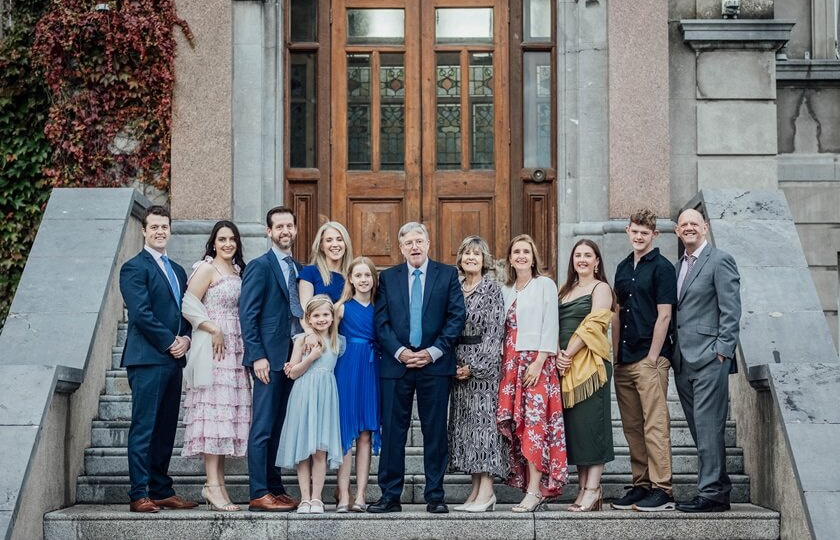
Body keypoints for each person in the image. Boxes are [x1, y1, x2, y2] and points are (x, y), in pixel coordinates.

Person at [370, 222, 466, 514]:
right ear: (401, 248)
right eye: (408, 242)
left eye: (419, 241)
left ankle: (435, 494)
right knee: (393, 433)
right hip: (396, 366)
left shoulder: (447, 274)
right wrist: (400, 352)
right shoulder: (387, 278)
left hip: (434, 366)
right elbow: (381, 321)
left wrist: (433, 351)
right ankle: (389, 495)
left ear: (427, 244)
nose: (414, 246)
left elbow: (456, 316)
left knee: (434, 432)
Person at [119, 205, 198, 513]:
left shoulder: (177, 270)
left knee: (165, 428)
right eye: (154, 227)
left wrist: (187, 339)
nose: (160, 231)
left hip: (174, 358)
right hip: (148, 359)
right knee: (144, 427)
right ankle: (139, 493)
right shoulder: (134, 267)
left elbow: (187, 311)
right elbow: (141, 314)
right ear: (144, 230)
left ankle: (161, 489)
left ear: (170, 229)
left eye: (164, 226)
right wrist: (169, 342)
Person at [672, 208, 741, 513]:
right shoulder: (677, 267)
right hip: (683, 361)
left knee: (709, 426)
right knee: (701, 429)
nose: (689, 228)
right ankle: (719, 487)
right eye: (684, 224)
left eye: (694, 224)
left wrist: (722, 351)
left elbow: (731, 309)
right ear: (677, 231)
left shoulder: (720, 260)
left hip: (711, 358)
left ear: (705, 228)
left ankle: (711, 493)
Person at [181, 221, 251, 512]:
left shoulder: (237, 271)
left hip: (235, 349)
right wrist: (212, 328)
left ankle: (218, 484)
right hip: (215, 348)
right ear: (213, 243)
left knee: (226, 417)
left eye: (232, 239)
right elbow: (187, 303)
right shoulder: (206, 268)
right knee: (213, 413)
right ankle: (211, 484)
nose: (227, 244)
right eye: (222, 239)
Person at [611, 208, 677, 512]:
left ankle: (662, 488)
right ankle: (641, 484)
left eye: (644, 233)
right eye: (635, 231)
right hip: (624, 359)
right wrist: (614, 357)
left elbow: (665, 315)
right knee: (633, 427)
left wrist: (653, 356)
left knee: (655, 425)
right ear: (627, 231)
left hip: (650, 359)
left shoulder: (663, 267)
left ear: (654, 235)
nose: (639, 237)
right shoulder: (623, 267)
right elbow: (617, 312)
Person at [496, 234, 567, 512]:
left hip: (536, 363)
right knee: (518, 425)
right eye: (516, 252)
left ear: (533, 257)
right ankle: (529, 485)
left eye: (526, 251)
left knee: (535, 427)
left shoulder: (544, 285)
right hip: (511, 365)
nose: (522, 256)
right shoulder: (507, 290)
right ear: (510, 259)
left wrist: (539, 361)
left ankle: (535, 490)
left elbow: (551, 323)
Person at [239, 206, 303, 512]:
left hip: (293, 360)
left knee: (279, 425)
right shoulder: (259, 266)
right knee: (263, 426)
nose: (285, 231)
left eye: (289, 226)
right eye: (279, 227)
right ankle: (258, 491)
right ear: (269, 232)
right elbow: (247, 315)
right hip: (268, 359)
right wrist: (257, 356)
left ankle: (275, 487)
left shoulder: (298, 268)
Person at [448, 236, 508, 513]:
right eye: (466, 253)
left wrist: (475, 367)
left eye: (476, 253)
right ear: (460, 259)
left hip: (483, 369)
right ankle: (475, 491)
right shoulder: (456, 288)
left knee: (485, 429)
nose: (471, 257)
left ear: (485, 260)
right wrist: (453, 365)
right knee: (468, 430)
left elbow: (495, 333)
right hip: (457, 366)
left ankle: (487, 492)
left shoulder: (492, 289)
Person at [557, 239, 615, 513]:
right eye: (578, 255)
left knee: (593, 427)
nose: (582, 259)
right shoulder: (564, 290)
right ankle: (583, 489)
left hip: (590, 366)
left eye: (587, 255)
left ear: (597, 261)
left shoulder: (601, 288)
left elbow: (594, 324)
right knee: (578, 431)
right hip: (566, 367)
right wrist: (556, 351)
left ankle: (593, 488)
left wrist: (568, 351)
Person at [276, 295, 344, 514]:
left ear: (333, 318)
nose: (321, 319)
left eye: (326, 314)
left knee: (320, 451)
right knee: (303, 449)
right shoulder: (301, 340)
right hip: (304, 395)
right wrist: (310, 357)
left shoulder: (339, 342)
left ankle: (317, 498)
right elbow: (293, 373)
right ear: (308, 318)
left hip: (325, 397)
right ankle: (304, 498)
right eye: (316, 315)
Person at [333, 257, 382, 512]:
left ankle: (361, 494)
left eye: (368, 275)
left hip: (372, 368)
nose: (363, 280)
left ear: (374, 279)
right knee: (345, 434)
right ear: (350, 279)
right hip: (348, 368)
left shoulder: (380, 307)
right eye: (358, 275)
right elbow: (320, 331)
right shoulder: (341, 307)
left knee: (366, 434)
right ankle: (343, 494)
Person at [298, 221, 353, 305]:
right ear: (321, 246)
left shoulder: (354, 276)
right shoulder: (309, 273)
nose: (335, 244)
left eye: (339, 239)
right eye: (329, 240)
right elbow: (305, 312)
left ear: (346, 244)